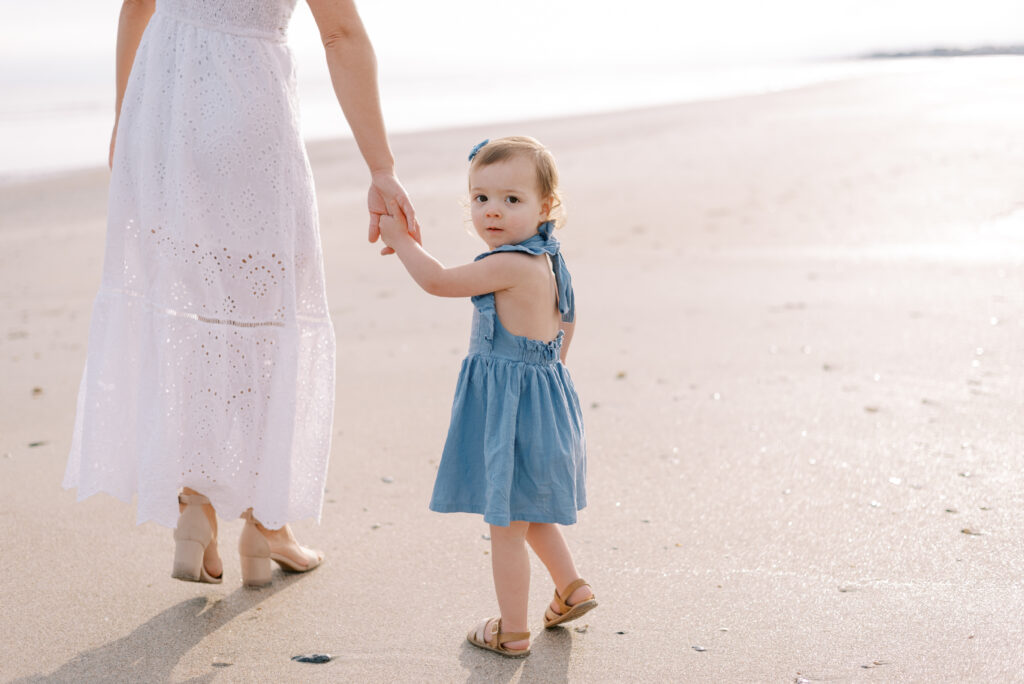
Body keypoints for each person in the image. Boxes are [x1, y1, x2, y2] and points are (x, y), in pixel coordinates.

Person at [63, 0, 418, 587]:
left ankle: (194, 505)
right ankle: (265, 521)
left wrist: (126, 120)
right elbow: (342, 34)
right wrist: (381, 168)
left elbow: (136, 7)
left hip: (160, 109)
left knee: (192, 310)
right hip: (248, 110)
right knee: (261, 317)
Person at [377, 136, 596, 658]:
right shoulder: (550, 261)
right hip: (547, 401)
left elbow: (437, 280)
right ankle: (571, 588)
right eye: (481, 198)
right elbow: (568, 322)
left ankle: (512, 631)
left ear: (546, 207)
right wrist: (540, 379)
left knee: (504, 525)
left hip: (515, 413)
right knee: (528, 507)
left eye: (511, 200)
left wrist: (401, 239)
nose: (492, 211)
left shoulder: (510, 265)